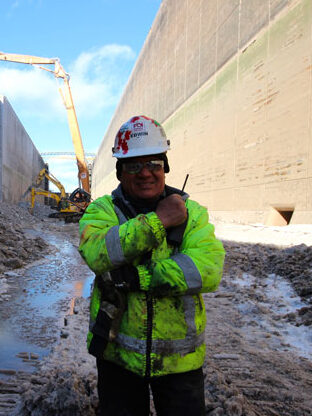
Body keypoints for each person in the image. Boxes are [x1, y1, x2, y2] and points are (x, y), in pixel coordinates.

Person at [78, 115, 225, 415]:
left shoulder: (192, 213)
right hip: (117, 357)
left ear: (165, 168)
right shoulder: (103, 210)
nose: (145, 173)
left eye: (154, 164)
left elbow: (208, 269)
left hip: (179, 362)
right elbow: (96, 253)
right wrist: (159, 221)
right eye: (134, 165)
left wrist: (142, 277)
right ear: (120, 172)